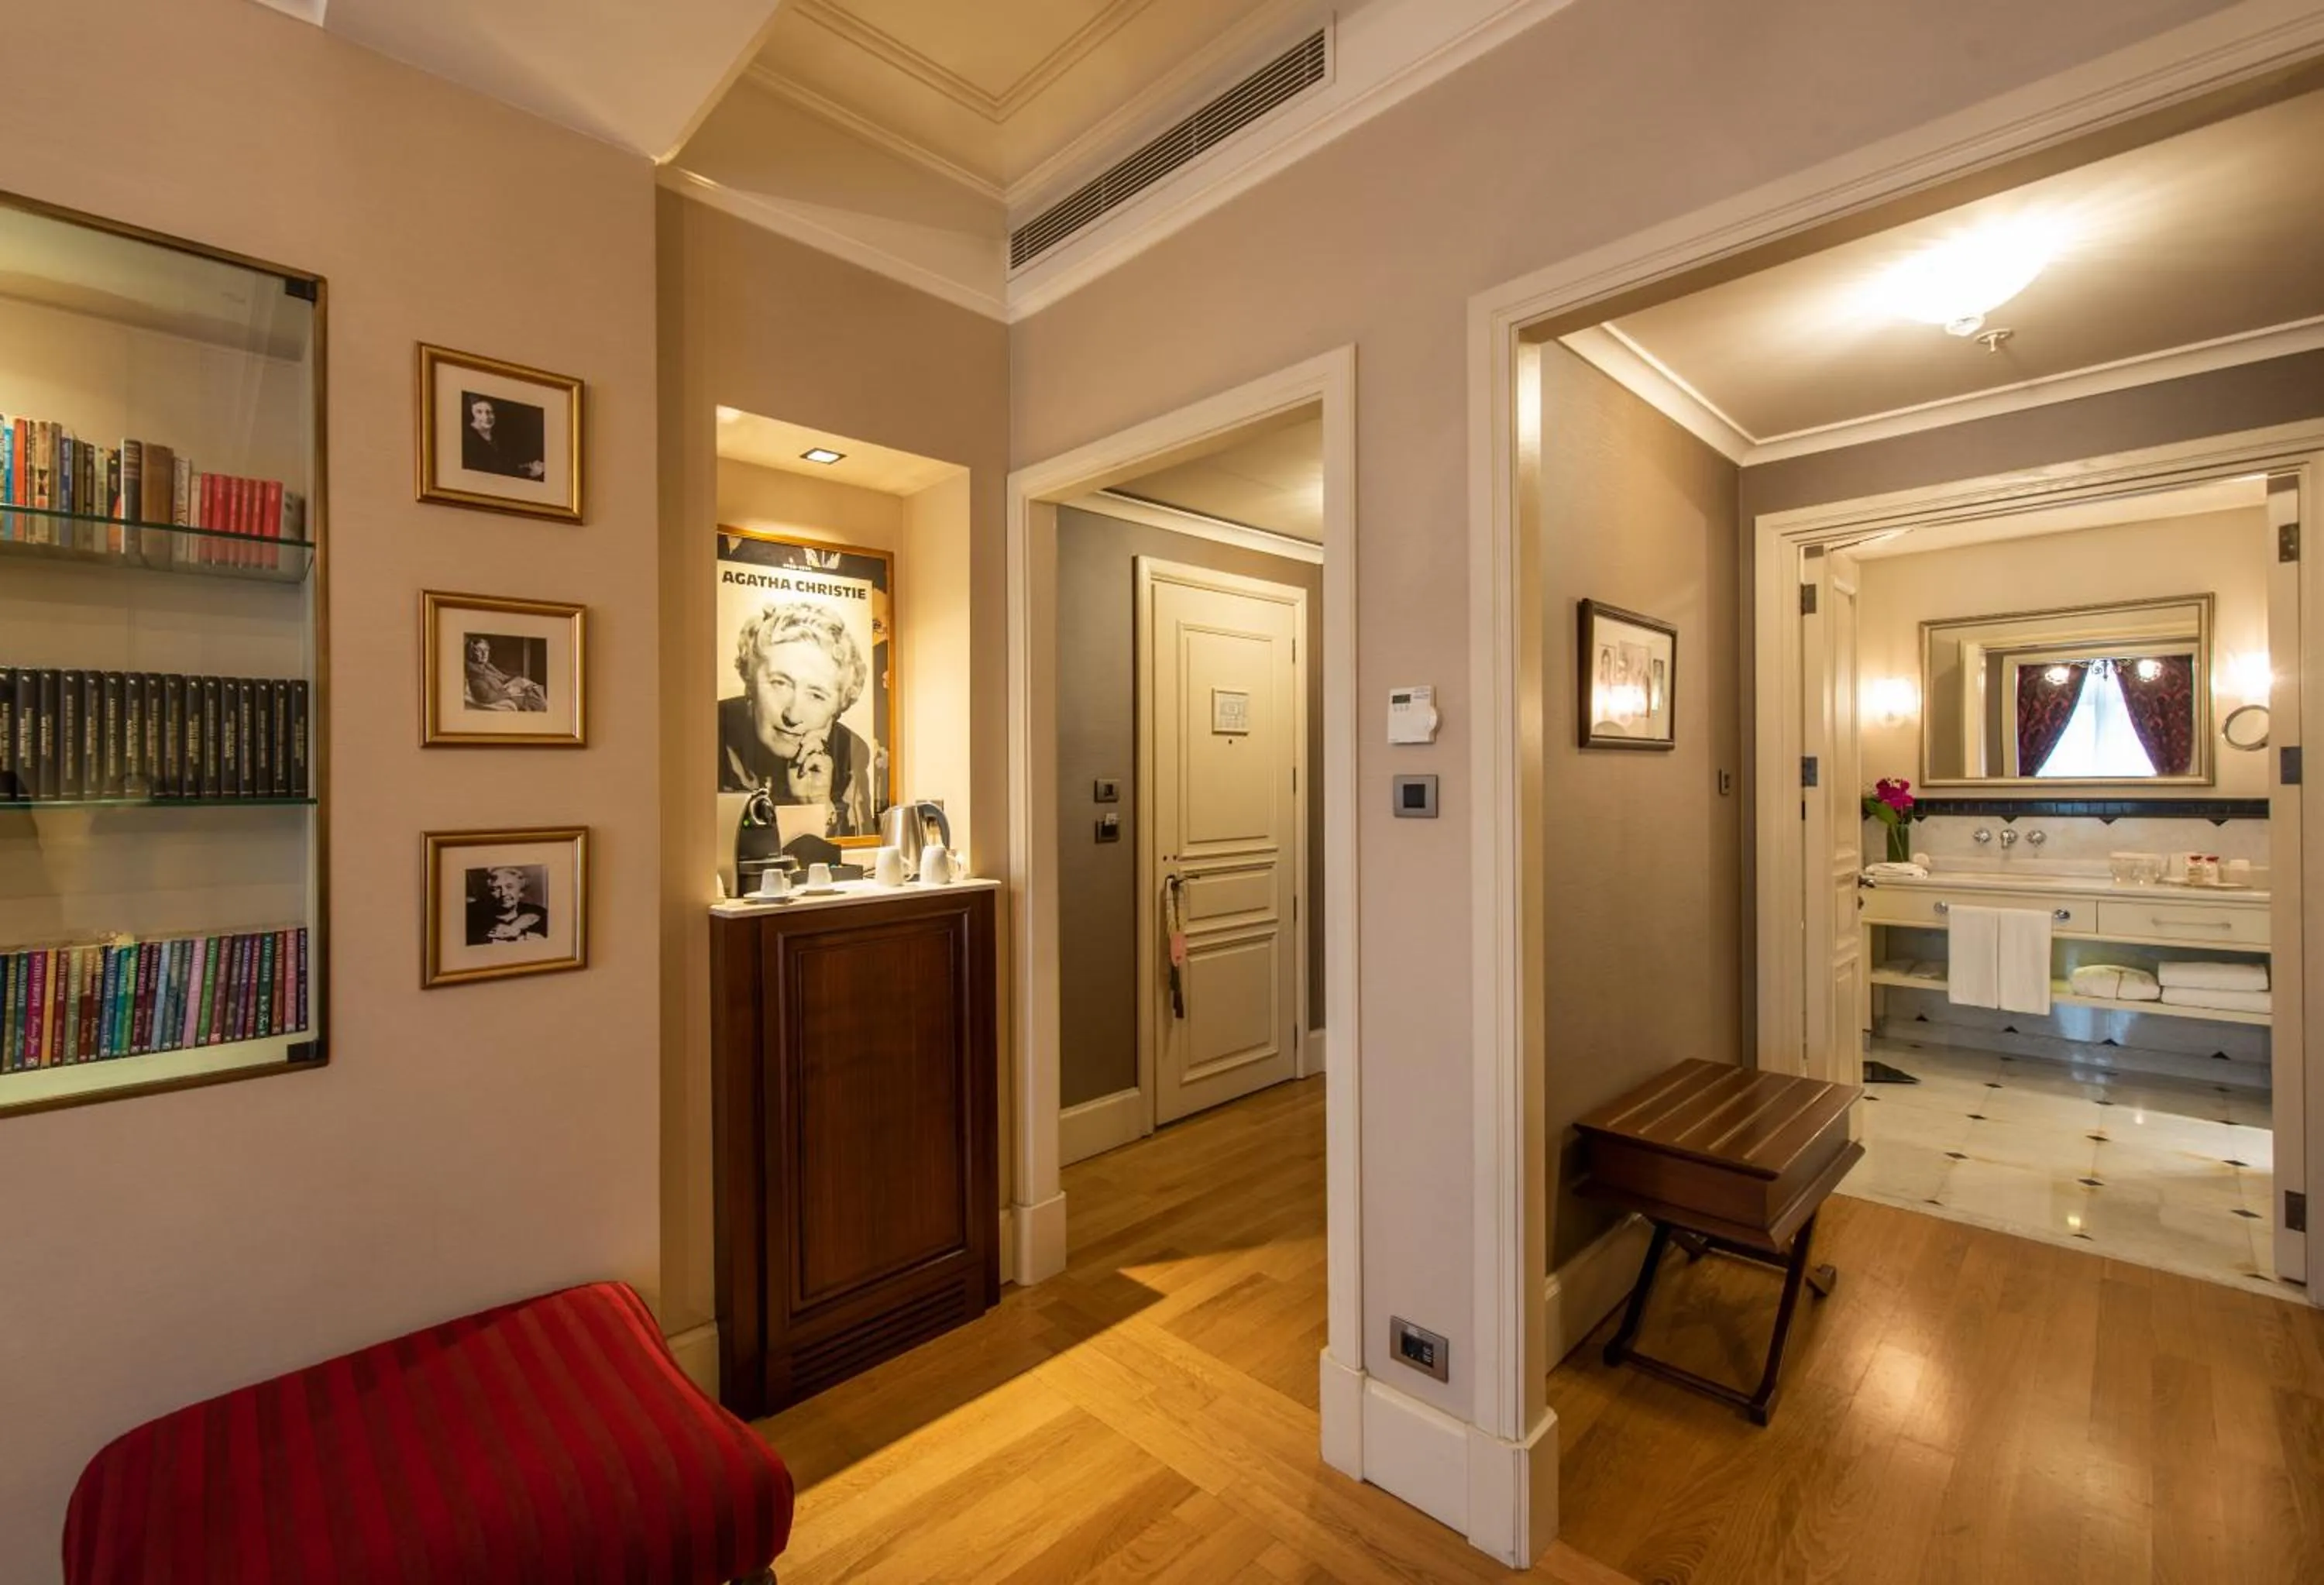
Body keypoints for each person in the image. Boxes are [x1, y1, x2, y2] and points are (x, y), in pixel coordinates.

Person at [718, 600, 878, 837]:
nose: (793, 715)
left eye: (816, 695)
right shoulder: (709, 732)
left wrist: (816, 804)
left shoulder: (849, 752)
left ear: (838, 707)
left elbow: (860, 847)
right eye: (780, 683)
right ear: (750, 681)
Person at [461, 395, 546, 480]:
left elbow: (507, 466)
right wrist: (529, 474)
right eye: (479, 412)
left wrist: (528, 467)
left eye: (490, 412)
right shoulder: (467, 440)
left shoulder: (499, 438)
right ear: (472, 414)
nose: (486, 417)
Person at [464, 635, 548, 712]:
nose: (484, 654)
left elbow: (503, 677)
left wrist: (518, 680)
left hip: (508, 690)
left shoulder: (487, 666)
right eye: (479, 650)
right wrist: (509, 692)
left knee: (535, 690)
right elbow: (485, 696)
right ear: (471, 652)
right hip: (506, 696)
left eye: (486, 650)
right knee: (538, 701)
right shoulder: (475, 673)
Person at [468, 865, 548, 945]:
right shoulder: (472, 917)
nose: (503, 893)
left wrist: (515, 930)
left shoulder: (539, 914)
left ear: (521, 891)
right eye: (496, 889)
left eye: (509, 887)